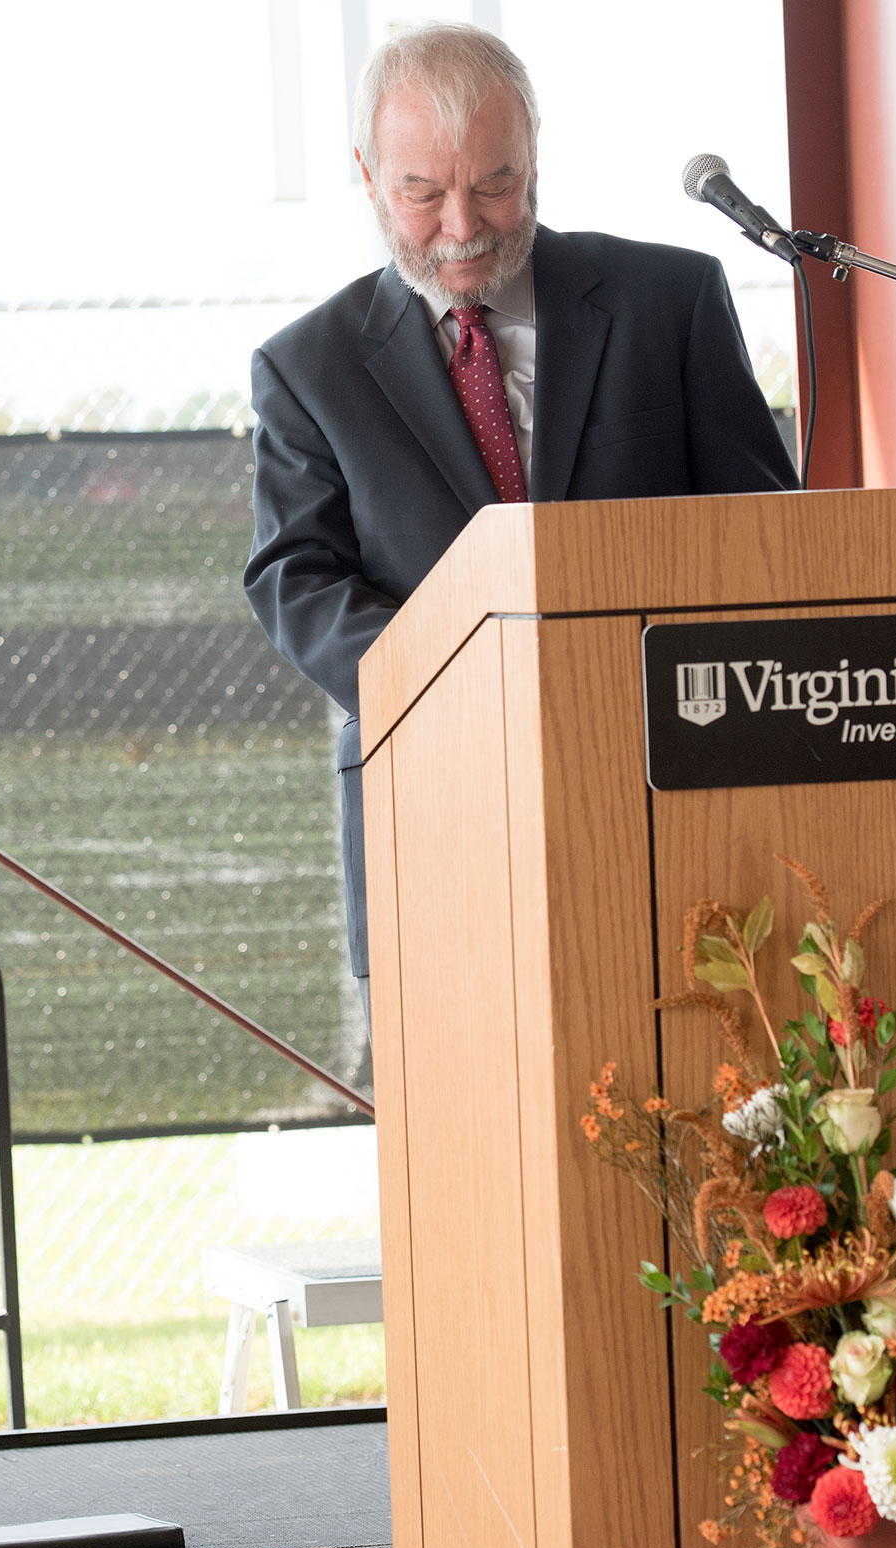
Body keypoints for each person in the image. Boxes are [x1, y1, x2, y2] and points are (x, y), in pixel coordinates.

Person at [243, 22, 796, 1023]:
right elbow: (297, 581)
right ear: (367, 176)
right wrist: (475, 670)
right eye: (422, 191)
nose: (461, 224)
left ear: (533, 159)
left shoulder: (670, 301)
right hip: (438, 797)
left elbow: (762, 530)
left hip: (678, 770)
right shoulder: (305, 367)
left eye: (494, 183)